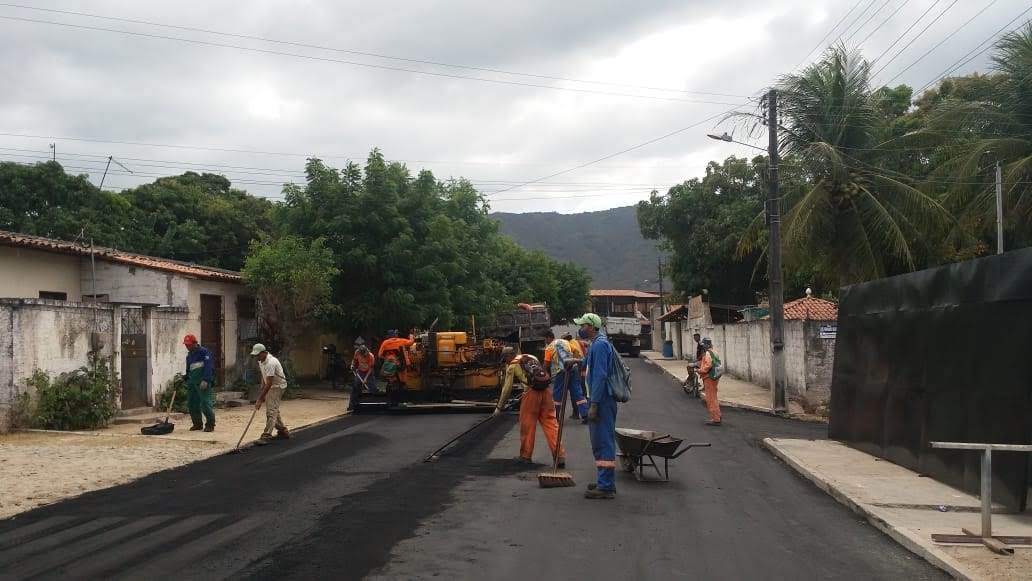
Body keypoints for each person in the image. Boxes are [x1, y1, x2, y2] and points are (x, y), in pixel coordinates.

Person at [493, 347, 565, 467]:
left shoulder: (512, 365)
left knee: (528, 425)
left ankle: (525, 456)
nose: (505, 362)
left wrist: (499, 407)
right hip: (546, 391)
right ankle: (560, 456)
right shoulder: (532, 357)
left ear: (508, 357)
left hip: (531, 395)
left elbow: (507, 389)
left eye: (505, 360)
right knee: (551, 424)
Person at [577, 313, 618, 500]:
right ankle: (604, 481)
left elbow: (600, 375)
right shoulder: (595, 343)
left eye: (583, 325)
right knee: (598, 442)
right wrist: (575, 363)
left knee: (603, 442)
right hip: (599, 398)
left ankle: (606, 486)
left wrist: (594, 404)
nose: (581, 328)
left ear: (592, 327)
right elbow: (588, 363)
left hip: (602, 400)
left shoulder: (600, 345)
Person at [543, 330, 589, 421]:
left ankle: (555, 416)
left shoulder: (549, 348)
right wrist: (575, 361)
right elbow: (576, 351)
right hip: (573, 368)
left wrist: (545, 374)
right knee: (577, 391)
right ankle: (585, 415)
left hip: (561, 372)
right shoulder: (564, 342)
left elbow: (546, 364)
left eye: (545, 340)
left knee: (558, 394)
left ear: (549, 338)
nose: (545, 342)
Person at [251, 343, 291, 445]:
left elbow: (269, 382)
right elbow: (264, 377)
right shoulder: (261, 361)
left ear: (264, 352)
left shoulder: (271, 362)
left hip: (278, 386)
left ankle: (266, 435)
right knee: (274, 410)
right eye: (255, 355)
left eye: (258, 355)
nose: (257, 357)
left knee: (271, 411)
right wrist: (261, 389)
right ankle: (283, 430)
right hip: (271, 386)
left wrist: (260, 399)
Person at [183, 334, 216, 432]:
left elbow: (208, 366)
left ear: (195, 343)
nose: (187, 347)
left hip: (202, 382)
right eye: (186, 345)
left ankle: (210, 424)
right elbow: (189, 369)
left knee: (205, 403)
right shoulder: (189, 356)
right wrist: (185, 378)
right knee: (192, 403)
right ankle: (197, 424)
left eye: (189, 345)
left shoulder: (204, 352)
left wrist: (206, 380)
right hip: (192, 382)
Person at [697, 338, 722, 426]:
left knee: (710, 398)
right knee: (714, 396)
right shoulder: (714, 352)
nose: (702, 347)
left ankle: (715, 419)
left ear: (705, 346)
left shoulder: (707, 353)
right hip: (715, 377)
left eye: (703, 345)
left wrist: (700, 370)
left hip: (709, 378)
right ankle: (718, 415)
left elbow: (708, 365)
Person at [349, 343, 377, 412]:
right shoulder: (357, 352)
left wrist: (366, 378)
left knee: (372, 388)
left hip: (369, 373)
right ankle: (352, 405)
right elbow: (354, 360)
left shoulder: (371, 356)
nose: (363, 356)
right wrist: (352, 365)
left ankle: (373, 404)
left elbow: (371, 368)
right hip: (360, 372)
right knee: (355, 387)